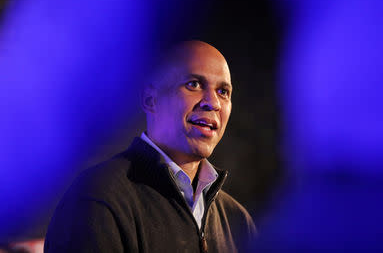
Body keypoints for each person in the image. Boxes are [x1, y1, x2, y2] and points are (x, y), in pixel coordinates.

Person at [44, 40, 256, 253]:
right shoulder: (97, 198)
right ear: (150, 99)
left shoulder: (238, 222)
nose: (213, 103)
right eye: (193, 84)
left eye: (223, 92)